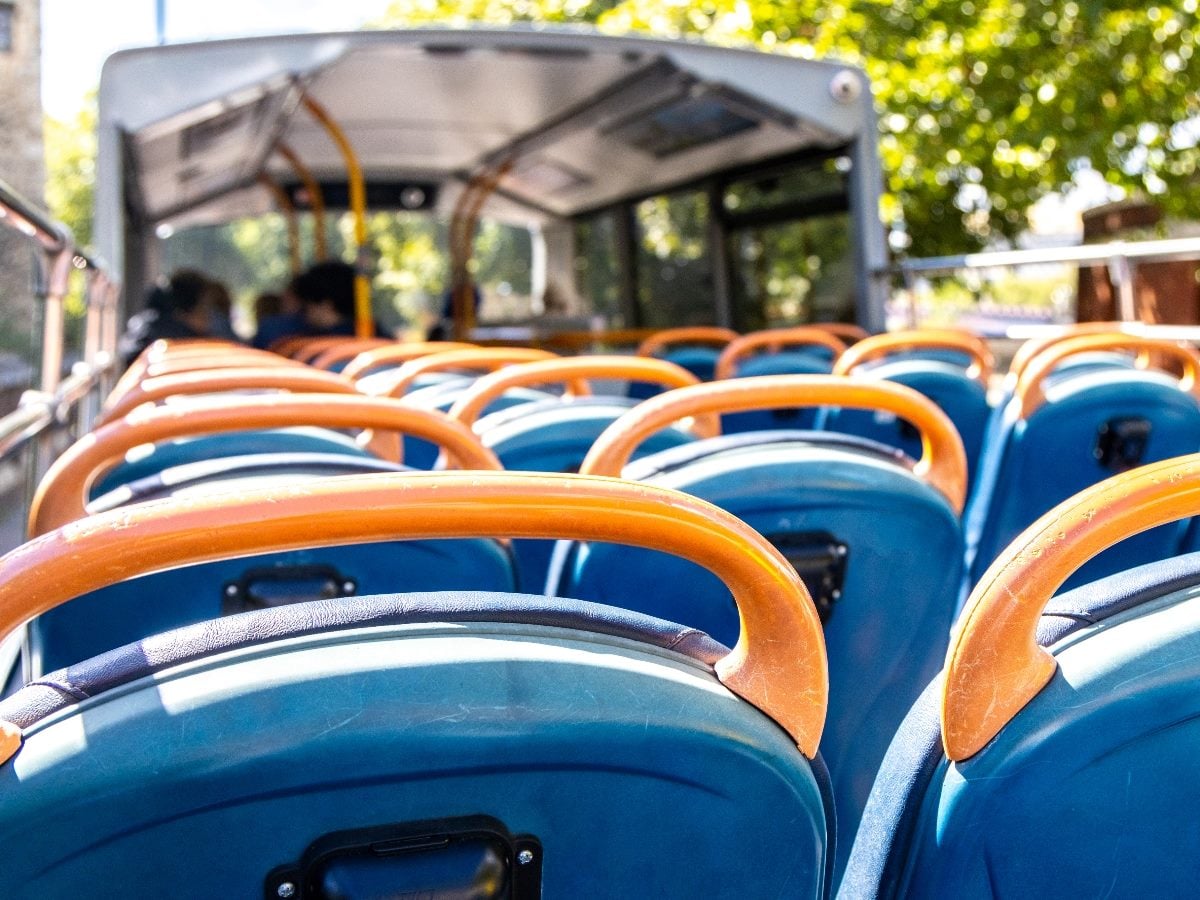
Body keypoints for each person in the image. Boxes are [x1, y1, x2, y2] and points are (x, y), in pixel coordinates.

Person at [118, 269, 215, 368]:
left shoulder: (142, 328)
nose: (210, 316)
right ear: (184, 311)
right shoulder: (187, 345)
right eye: (205, 307)